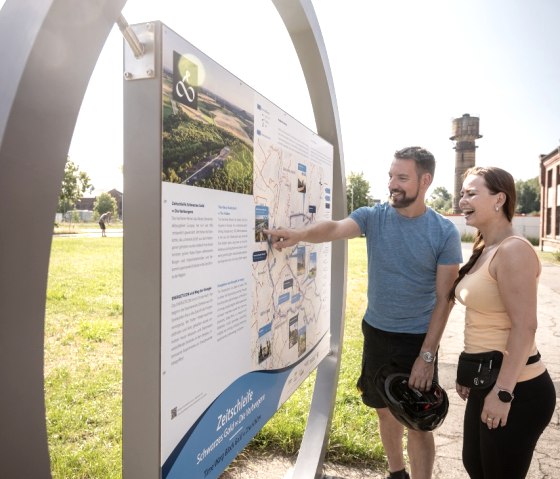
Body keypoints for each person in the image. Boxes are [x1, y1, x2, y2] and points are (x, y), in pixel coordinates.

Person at [265, 146, 463, 479]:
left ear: (425, 180)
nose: (392, 184)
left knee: (417, 420)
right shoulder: (374, 217)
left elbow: (445, 299)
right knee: (384, 411)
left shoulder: (444, 232)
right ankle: (396, 473)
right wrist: (300, 235)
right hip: (376, 332)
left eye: (402, 177)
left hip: (417, 339)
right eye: (390, 176)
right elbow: (334, 229)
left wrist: (426, 355)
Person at [451, 166, 556, 478]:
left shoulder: (513, 251)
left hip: (517, 388)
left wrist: (504, 393)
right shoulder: (486, 247)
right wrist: (471, 368)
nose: (461, 201)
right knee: (476, 465)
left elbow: (525, 328)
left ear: (499, 199)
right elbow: (485, 319)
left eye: (471, 193)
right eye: (461, 193)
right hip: (487, 379)